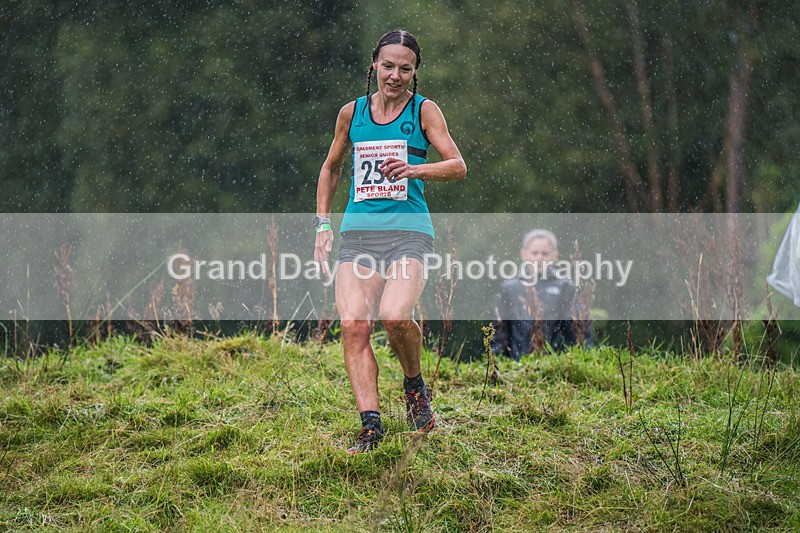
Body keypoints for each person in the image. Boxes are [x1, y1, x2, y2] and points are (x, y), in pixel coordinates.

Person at [313, 29, 466, 453]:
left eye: (405, 68)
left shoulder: (424, 112)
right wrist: (323, 224)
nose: (394, 76)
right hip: (358, 233)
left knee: (395, 316)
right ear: (373, 67)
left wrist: (415, 171)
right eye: (387, 66)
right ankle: (371, 426)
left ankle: (414, 385)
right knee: (353, 325)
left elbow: (458, 165)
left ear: (414, 73)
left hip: (409, 232)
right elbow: (330, 169)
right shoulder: (352, 113)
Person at [492, 229, 592, 360]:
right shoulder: (510, 288)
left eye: (545, 253)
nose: (539, 258)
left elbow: (577, 332)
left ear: (555, 255)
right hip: (518, 367)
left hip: (557, 367)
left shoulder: (565, 287)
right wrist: (498, 362)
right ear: (524, 254)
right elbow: (500, 333)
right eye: (535, 253)